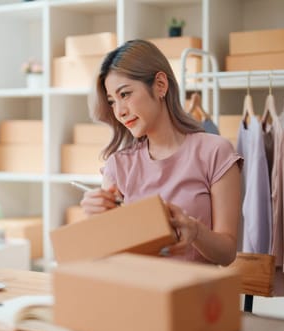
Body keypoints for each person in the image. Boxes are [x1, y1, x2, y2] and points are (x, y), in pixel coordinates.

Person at [80, 39, 243, 266]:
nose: (119, 111)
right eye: (112, 101)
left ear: (160, 85)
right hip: (138, 294)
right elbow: (108, 257)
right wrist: (96, 219)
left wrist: (195, 231)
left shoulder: (215, 152)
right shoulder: (119, 166)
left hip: (195, 296)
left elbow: (227, 253)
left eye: (125, 94)